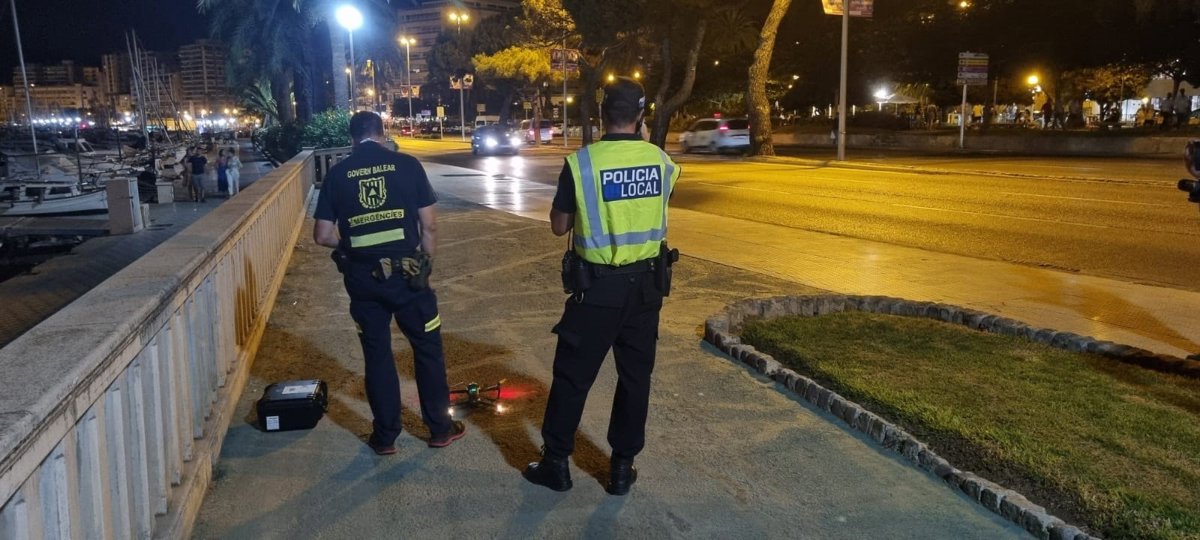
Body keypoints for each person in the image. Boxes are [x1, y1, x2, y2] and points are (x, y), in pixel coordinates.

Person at [522, 77, 680, 496]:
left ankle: (557, 464)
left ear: (601, 114)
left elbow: (559, 227)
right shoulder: (662, 162)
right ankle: (622, 469)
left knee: (572, 378)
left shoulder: (582, 164)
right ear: (641, 116)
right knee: (635, 379)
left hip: (596, 292)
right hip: (646, 290)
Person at [312, 111, 465, 455]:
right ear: (382, 133)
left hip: (363, 281)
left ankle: (385, 437)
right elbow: (429, 226)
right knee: (427, 349)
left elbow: (322, 235)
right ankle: (440, 430)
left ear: (352, 139)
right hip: (409, 277)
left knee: (377, 354)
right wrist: (425, 265)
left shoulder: (338, 174)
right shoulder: (407, 165)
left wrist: (350, 245)